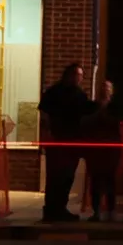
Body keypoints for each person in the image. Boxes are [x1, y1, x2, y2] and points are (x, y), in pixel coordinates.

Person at [38, 63, 92, 222]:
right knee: (55, 176)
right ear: (69, 75)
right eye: (78, 75)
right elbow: (44, 114)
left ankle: (59, 208)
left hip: (72, 140)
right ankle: (51, 210)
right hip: (58, 139)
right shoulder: (54, 92)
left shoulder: (79, 94)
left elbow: (86, 115)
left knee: (67, 176)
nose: (80, 79)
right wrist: (47, 133)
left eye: (81, 76)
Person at [85, 80, 121, 222]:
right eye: (102, 87)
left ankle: (111, 210)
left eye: (107, 88)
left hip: (111, 149)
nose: (105, 90)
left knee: (110, 179)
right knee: (96, 180)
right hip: (96, 148)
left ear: (111, 91)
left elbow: (118, 123)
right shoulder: (92, 106)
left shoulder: (114, 107)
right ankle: (96, 211)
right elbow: (85, 122)